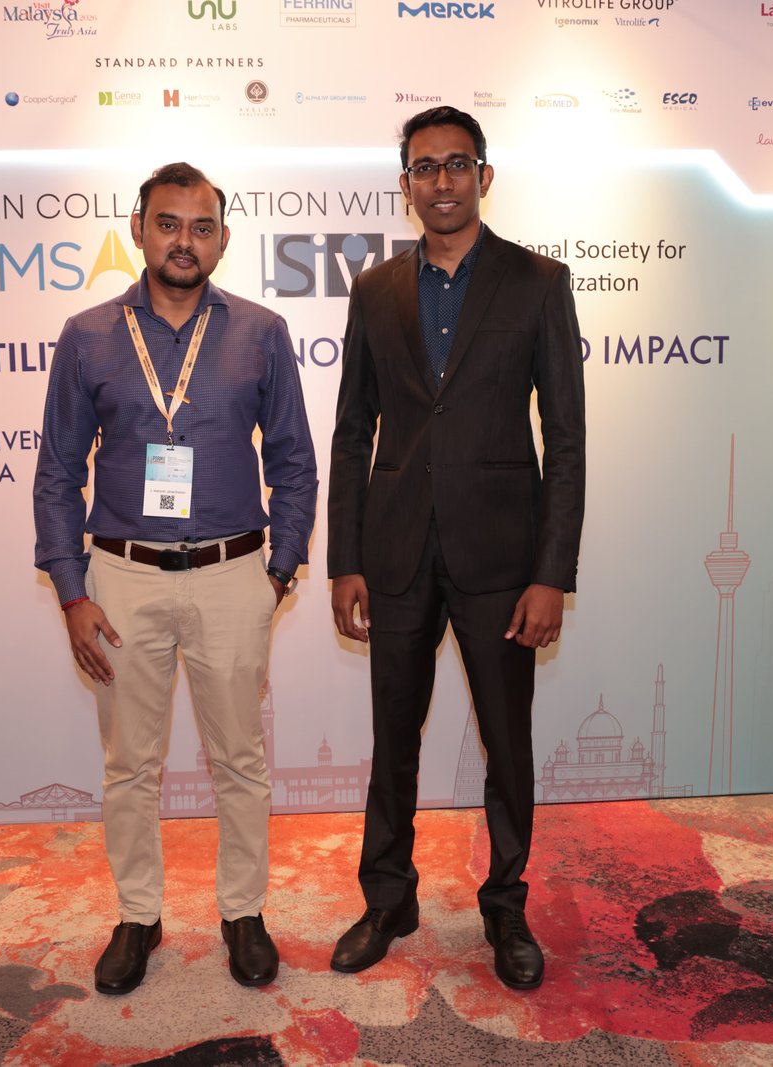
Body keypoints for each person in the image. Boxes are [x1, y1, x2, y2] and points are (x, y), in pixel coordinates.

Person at [33, 162, 317, 994]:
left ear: (222, 239)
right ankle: (138, 915)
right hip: (123, 578)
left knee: (240, 758)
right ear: (139, 230)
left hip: (233, 572)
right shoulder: (87, 335)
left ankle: (243, 912)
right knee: (130, 763)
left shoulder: (261, 332)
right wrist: (73, 591)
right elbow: (58, 474)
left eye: (200, 227)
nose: (183, 242)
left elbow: (294, 463)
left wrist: (277, 572)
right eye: (168, 224)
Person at [326, 107, 585, 990]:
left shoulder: (538, 283)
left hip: (503, 561)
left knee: (507, 743)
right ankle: (388, 899)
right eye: (425, 167)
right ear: (406, 183)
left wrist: (551, 573)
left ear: (484, 175)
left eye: (457, 164)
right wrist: (346, 558)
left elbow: (567, 440)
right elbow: (352, 431)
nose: (442, 181)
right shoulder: (374, 291)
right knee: (391, 737)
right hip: (395, 554)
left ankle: (506, 905)